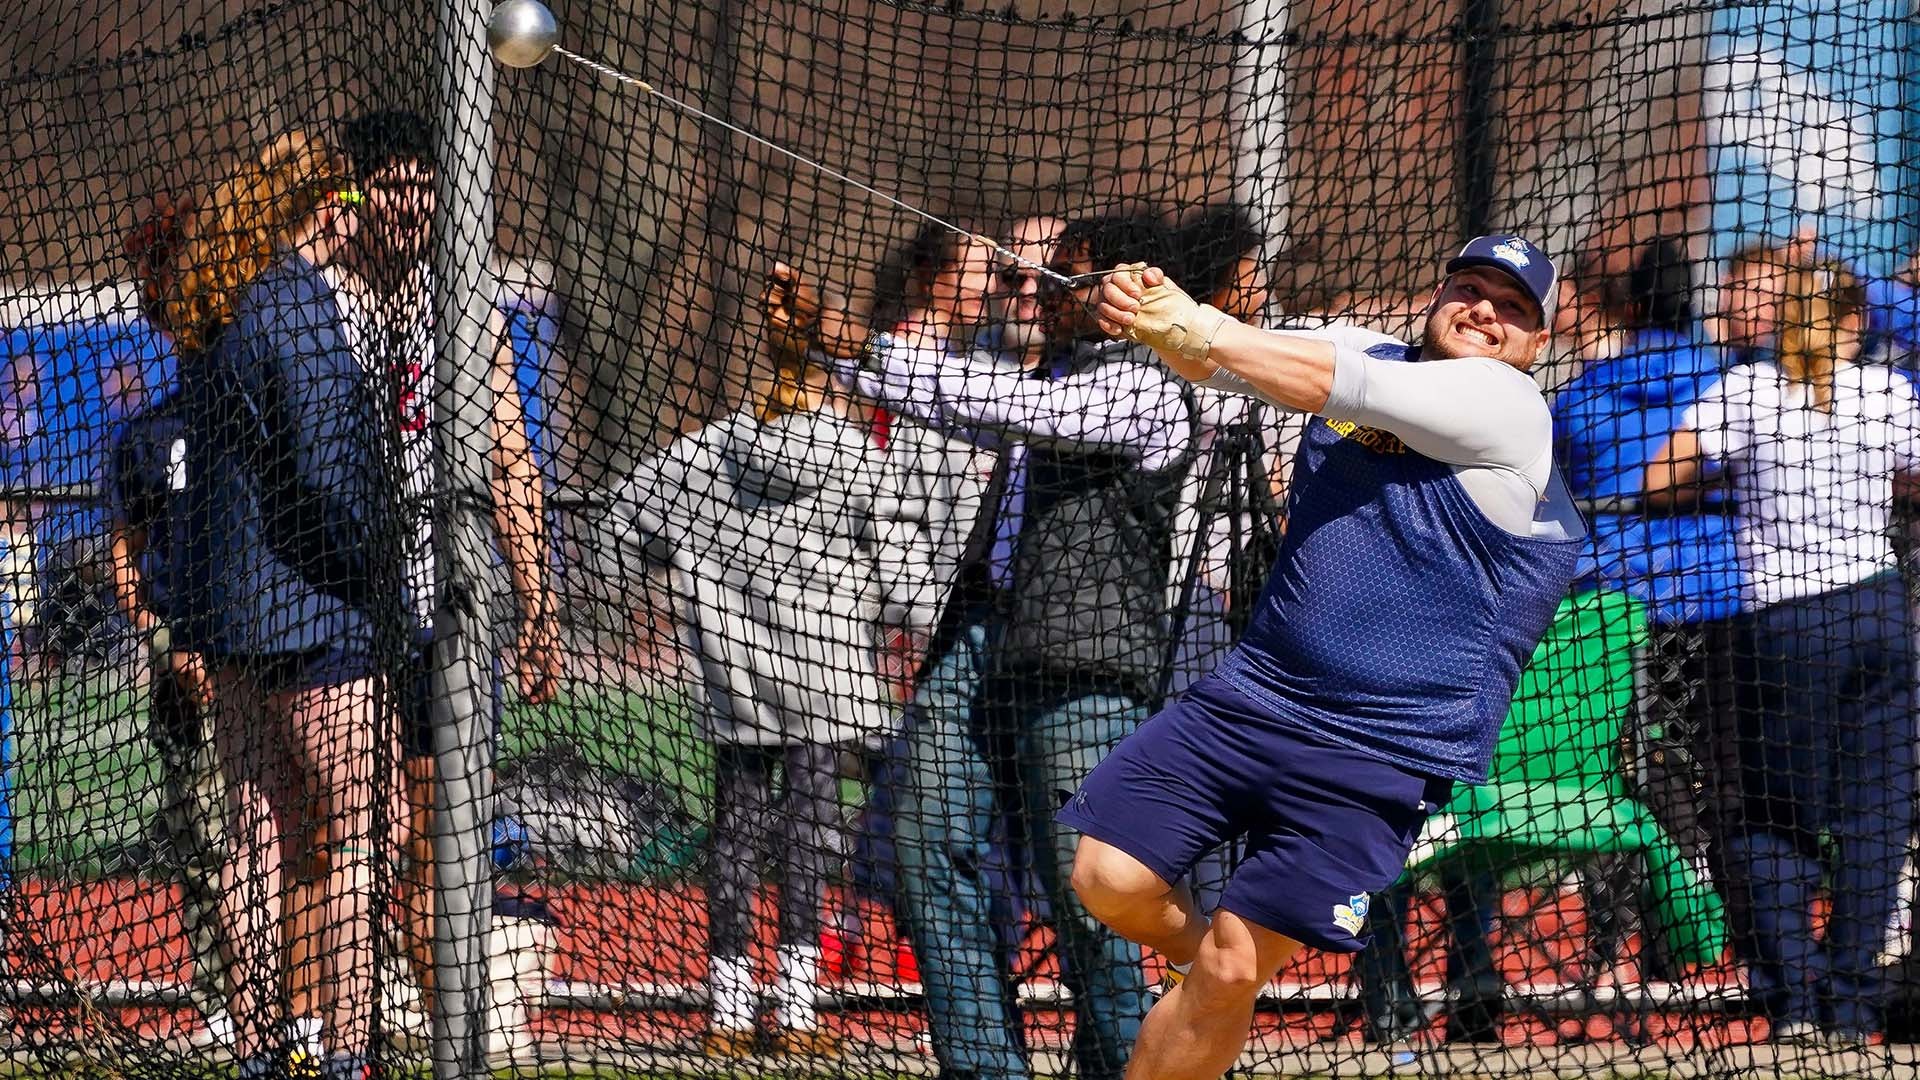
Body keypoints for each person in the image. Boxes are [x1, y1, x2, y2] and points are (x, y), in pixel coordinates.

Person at [1064, 233, 1583, 1080]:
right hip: (1252, 699)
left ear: (1535, 342)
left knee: (1236, 968)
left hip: (1376, 753)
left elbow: (1334, 382)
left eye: (1514, 306)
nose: (1485, 311)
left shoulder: (1509, 407)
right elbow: (1229, 361)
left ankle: (1218, 980)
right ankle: (1210, 970)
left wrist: (1196, 327)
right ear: (1437, 295)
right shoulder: (1357, 348)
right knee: (1106, 877)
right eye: (1470, 288)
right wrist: (1152, 308)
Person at [763, 214, 1194, 1080]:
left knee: (1091, 900)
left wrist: (853, 342)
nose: (1031, 292)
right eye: (1016, 279)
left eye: (1055, 278)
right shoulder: (1032, 375)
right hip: (978, 637)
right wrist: (831, 351)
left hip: (1083, 664)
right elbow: (957, 395)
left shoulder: (1144, 385)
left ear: (1124, 291)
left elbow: (1013, 408)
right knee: (924, 850)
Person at [595, 352, 958, 1056]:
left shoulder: (700, 454)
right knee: (809, 835)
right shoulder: (856, 454)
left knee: (735, 834)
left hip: (733, 674)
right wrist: (885, 612)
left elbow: (614, 531)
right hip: (828, 672)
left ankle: (727, 1009)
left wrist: (667, 587)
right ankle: (796, 1008)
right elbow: (909, 587)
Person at [163, 130, 402, 1080]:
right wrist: (378, 571)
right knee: (356, 837)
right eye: (348, 196)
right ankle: (346, 1054)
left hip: (233, 624)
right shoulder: (296, 307)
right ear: (325, 206)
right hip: (313, 620)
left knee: (254, 840)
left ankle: (263, 1050)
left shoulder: (223, 308)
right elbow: (319, 472)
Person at [1646, 260, 1920, 1045]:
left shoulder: (1747, 390)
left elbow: (1662, 478)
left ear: (1782, 320)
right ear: (1854, 322)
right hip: (1875, 608)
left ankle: (1795, 998)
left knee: (1768, 811)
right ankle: (1853, 1001)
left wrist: (1731, 488)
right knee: (1876, 813)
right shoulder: (1887, 392)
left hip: (1780, 616)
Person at [327, 108, 564, 1006]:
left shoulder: (463, 306)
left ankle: (437, 1028)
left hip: (442, 610)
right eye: (394, 185)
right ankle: (334, 1030)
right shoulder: (320, 297)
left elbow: (511, 455)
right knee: (349, 839)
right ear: (356, 191)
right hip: (333, 609)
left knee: (440, 843)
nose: (413, 205)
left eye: (429, 188)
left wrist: (538, 603)